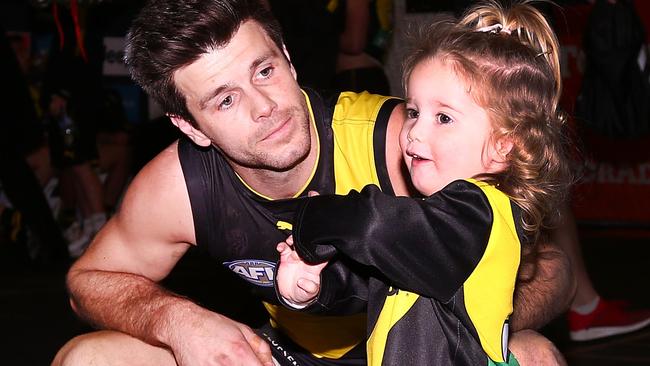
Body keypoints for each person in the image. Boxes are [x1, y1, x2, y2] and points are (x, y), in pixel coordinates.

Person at [52, 0, 573, 365]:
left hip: (419, 355)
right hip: (288, 358)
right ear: (191, 126)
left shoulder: (406, 144)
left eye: (263, 70)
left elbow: (552, 269)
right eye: (225, 100)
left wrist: (459, 323)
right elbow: (88, 280)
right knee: (88, 358)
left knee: (531, 355)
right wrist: (180, 322)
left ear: (289, 58)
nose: (265, 108)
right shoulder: (180, 186)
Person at [275, 1, 572, 364]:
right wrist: (314, 286)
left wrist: (312, 215)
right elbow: (375, 289)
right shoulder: (433, 225)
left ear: (503, 146)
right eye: (413, 112)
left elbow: (370, 226)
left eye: (443, 117)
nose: (414, 131)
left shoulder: (475, 216)